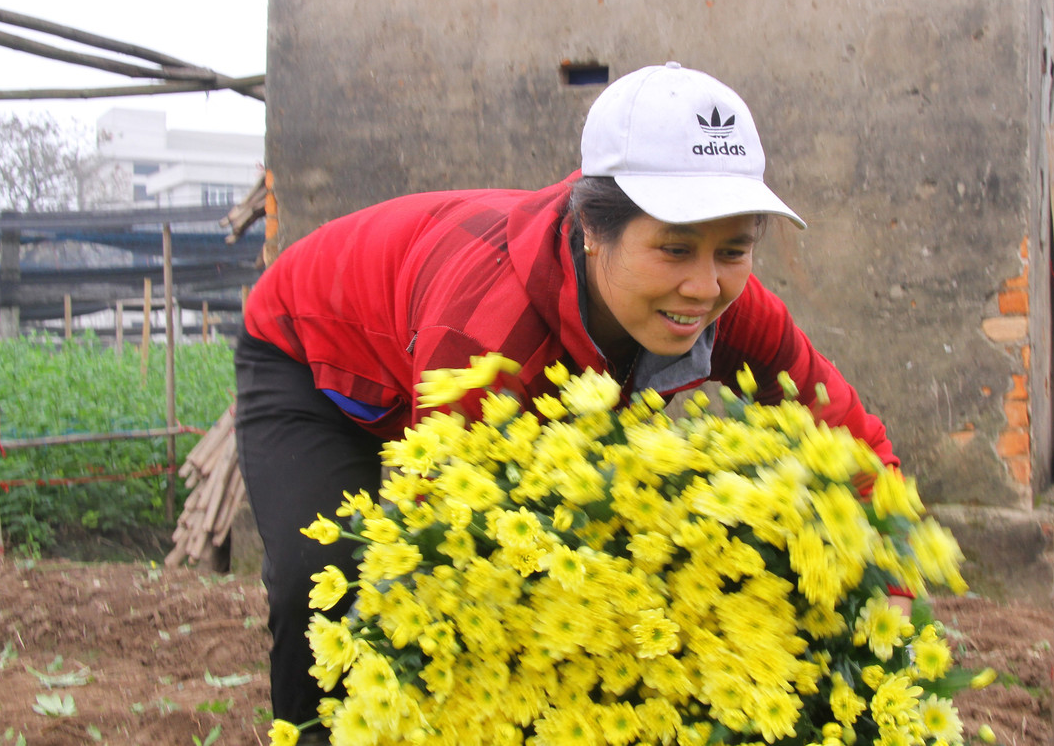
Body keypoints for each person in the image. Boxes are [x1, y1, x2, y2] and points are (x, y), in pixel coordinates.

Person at [235, 61, 900, 725]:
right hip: (311, 355)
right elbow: (442, 555)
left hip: (445, 356)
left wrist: (891, 582)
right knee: (321, 585)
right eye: (674, 248)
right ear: (591, 230)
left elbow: (842, 429)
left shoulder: (723, 301)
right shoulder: (488, 333)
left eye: (733, 249)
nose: (704, 287)